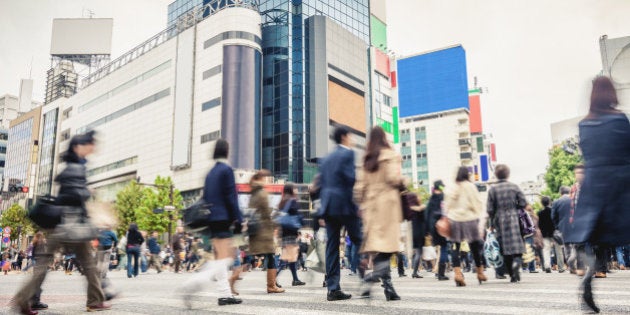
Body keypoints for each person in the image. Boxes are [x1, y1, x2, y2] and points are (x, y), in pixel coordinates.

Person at [12, 130, 110, 314]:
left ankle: (24, 299)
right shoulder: (75, 167)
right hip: (70, 225)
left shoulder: (74, 166)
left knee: (76, 262)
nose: (92, 147)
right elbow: (71, 195)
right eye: (89, 144)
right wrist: (88, 192)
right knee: (85, 264)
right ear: (77, 147)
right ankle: (94, 301)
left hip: (66, 224)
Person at [563, 76, 630, 313]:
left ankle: (589, 281)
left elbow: (588, 154)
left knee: (597, 240)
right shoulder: (619, 119)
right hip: (620, 183)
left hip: (594, 186)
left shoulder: (585, 124)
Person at [179, 139, 243, 307]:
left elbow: (206, 198)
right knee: (227, 258)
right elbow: (231, 196)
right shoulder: (226, 170)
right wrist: (238, 218)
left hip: (212, 220)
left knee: (220, 257)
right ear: (227, 151)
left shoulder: (211, 173)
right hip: (223, 219)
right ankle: (191, 285)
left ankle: (224, 294)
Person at [354, 126, 404, 301]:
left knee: (379, 249)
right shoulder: (390, 154)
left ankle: (389, 289)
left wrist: (362, 203)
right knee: (389, 247)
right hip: (387, 204)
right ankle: (371, 278)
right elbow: (393, 178)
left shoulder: (366, 158)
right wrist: (404, 180)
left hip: (371, 206)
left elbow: (359, 188)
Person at [318, 126, 363, 301]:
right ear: (344, 137)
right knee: (359, 240)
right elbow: (350, 179)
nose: (352, 139)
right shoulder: (348, 153)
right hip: (344, 204)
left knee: (332, 247)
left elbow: (322, 184)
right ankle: (368, 276)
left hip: (329, 206)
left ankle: (333, 288)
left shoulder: (327, 158)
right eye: (351, 135)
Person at [444, 167, 487, 286]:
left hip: (454, 220)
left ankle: (458, 274)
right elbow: (477, 203)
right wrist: (480, 219)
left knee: (454, 248)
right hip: (469, 219)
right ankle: (480, 273)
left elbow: (447, 204)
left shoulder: (452, 187)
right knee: (474, 247)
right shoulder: (470, 186)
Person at [487, 164, 527, 283]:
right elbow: (523, 202)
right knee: (517, 245)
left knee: (505, 248)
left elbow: (489, 209)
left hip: (499, 219)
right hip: (514, 217)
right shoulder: (514, 187)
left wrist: (492, 223)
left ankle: (512, 274)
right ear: (508, 174)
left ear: (496, 175)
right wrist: (516, 207)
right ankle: (517, 263)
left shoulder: (492, 189)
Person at [246, 170, 285, 293]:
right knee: (271, 257)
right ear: (262, 179)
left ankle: (272, 285)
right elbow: (266, 214)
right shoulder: (262, 193)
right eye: (267, 178)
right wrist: (274, 223)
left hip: (256, 230)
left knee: (261, 257)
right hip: (264, 231)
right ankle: (271, 286)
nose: (268, 180)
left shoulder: (253, 192)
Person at [276, 183, 306, 287]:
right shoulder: (293, 201)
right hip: (291, 234)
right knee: (287, 257)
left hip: (284, 233)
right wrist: (302, 223)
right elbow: (299, 216)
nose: (296, 190)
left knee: (292, 257)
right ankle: (273, 278)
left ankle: (295, 279)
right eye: (295, 188)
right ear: (291, 190)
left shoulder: (282, 202)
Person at [425, 180, 449, 281]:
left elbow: (426, 214)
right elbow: (446, 211)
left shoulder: (431, 199)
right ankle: (441, 273)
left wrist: (427, 230)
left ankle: (438, 271)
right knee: (443, 248)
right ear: (441, 187)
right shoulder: (443, 197)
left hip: (432, 226)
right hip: (442, 225)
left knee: (438, 248)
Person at [539, 196, 565, 273]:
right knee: (558, 250)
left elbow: (540, 225)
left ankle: (547, 266)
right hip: (554, 232)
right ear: (550, 202)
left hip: (545, 234)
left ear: (542, 203)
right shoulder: (553, 211)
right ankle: (561, 267)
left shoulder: (540, 213)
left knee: (546, 250)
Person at [97, 225, 119, 299]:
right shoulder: (111, 232)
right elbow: (116, 240)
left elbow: (97, 239)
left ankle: (98, 272)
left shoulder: (100, 232)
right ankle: (103, 273)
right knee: (106, 261)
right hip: (108, 247)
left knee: (100, 261)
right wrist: (114, 246)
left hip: (100, 248)